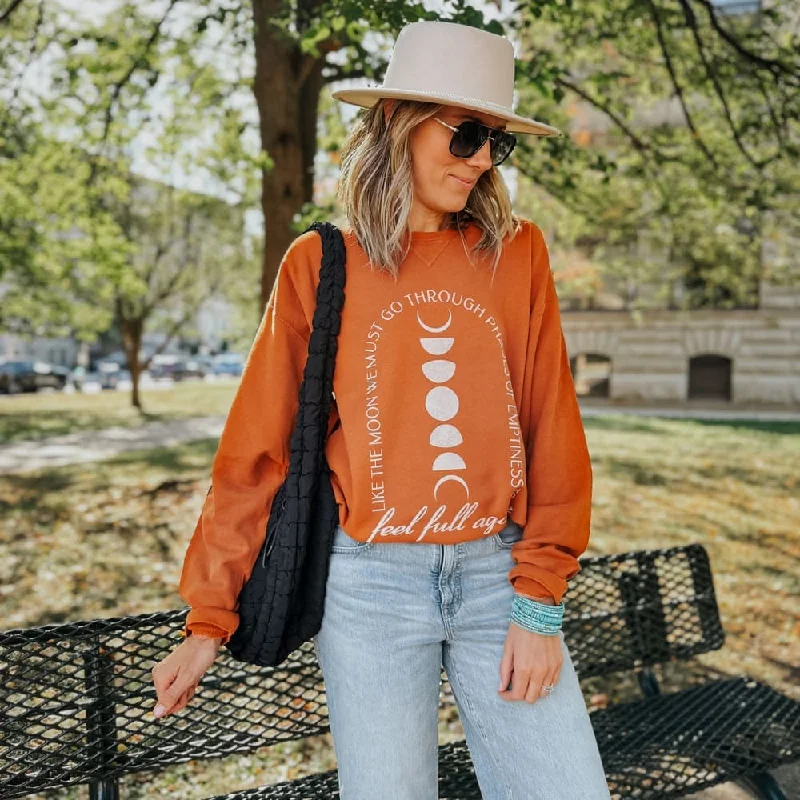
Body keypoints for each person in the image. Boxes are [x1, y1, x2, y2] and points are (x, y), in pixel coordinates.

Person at [152, 20, 610, 799]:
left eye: (495, 144)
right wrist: (208, 619)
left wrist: (538, 605)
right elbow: (258, 451)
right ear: (399, 121)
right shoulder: (318, 263)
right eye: (465, 136)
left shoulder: (516, 254)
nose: (479, 162)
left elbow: (550, 426)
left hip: (499, 574)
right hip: (368, 589)